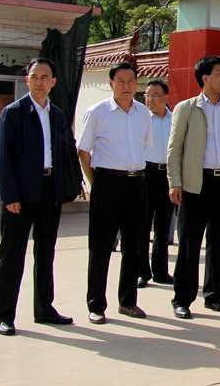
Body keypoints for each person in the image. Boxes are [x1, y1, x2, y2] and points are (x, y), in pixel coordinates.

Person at [0, 58, 74, 336]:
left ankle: (44, 309)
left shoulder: (57, 115)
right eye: (34, 76)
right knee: (12, 255)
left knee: (46, 252)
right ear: (27, 80)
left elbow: (62, 153)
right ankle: (5, 315)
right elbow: (3, 158)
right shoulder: (13, 113)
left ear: (53, 82)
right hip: (21, 193)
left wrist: (63, 188)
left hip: (49, 191)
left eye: (45, 77)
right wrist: (10, 195)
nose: (39, 82)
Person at [168, 56, 220, 319]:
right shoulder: (187, 109)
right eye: (219, 73)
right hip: (195, 184)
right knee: (190, 244)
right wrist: (175, 182)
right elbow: (174, 148)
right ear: (205, 78)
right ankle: (182, 298)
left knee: (219, 243)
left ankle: (213, 295)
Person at [78, 62, 152, 325]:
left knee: (134, 246)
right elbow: (83, 151)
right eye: (120, 80)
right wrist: (95, 182)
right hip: (107, 183)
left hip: (136, 183)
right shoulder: (97, 112)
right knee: (101, 246)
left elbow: (144, 147)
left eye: (131, 80)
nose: (126, 86)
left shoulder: (143, 113)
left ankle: (128, 301)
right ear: (111, 83)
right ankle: (96, 305)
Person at [137, 80, 175, 288]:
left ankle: (161, 271)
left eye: (155, 95)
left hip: (167, 175)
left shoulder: (174, 119)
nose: (150, 99)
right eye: (148, 95)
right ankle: (142, 271)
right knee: (142, 225)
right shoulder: (141, 118)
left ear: (166, 97)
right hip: (146, 174)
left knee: (163, 225)